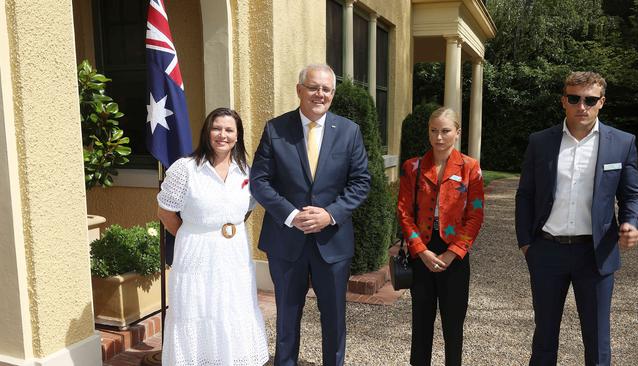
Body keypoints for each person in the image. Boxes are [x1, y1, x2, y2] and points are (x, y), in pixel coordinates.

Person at [515, 71, 638, 366]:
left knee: (598, 342)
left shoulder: (621, 143)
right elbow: (526, 195)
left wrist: (631, 223)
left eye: (589, 99)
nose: (581, 106)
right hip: (547, 251)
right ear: (563, 101)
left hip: (595, 254)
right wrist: (526, 243)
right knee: (544, 337)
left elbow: (632, 196)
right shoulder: (540, 142)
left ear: (602, 102)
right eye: (574, 98)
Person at [250, 63, 371, 366]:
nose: (320, 94)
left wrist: (329, 215)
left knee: (334, 320)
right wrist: (291, 215)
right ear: (299, 89)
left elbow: (360, 182)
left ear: (333, 93)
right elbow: (259, 181)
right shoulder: (276, 129)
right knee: (287, 320)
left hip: (333, 243)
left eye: (326, 89)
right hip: (286, 241)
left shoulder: (349, 131)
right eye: (314, 87)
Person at [157, 108, 269, 366]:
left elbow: (245, 210)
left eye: (229, 130)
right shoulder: (185, 169)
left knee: (231, 308)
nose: (223, 135)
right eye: (216, 128)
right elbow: (166, 213)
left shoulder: (246, 171)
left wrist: (224, 230)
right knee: (196, 309)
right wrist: (193, 235)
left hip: (234, 254)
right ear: (207, 132)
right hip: (196, 254)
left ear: (238, 135)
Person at [397, 106, 484, 366]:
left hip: (454, 254)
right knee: (421, 321)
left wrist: (453, 252)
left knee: (453, 324)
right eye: (434, 131)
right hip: (422, 251)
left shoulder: (470, 167)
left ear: (457, 132)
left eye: (445, 131)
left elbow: (475, 216)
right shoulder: (412, 167)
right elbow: (403, 212)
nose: (439, 137)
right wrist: (420, 250)